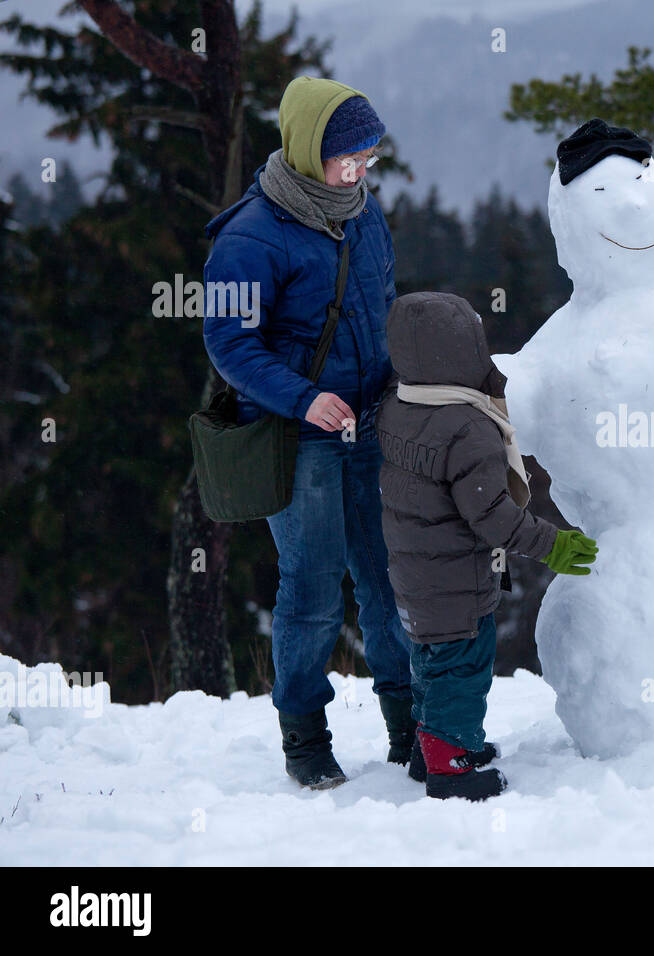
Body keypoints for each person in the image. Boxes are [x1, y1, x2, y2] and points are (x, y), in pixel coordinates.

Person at [202, 76, 415, 789]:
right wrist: (305, 399)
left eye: (368, 157)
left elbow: (383, 300)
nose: (357, 171)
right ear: (302, 149)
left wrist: (400, 379)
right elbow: (230, 345)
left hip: (373, 425)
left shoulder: (362, 212)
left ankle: (409, 730)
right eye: (345, 157)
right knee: (314, 590)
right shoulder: (245, 240)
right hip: (301, 439)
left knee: (388, 580)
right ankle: (305, 739)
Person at [376, 291, 598, 800]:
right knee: (463, 668)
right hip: (456, 580)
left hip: (415, 574)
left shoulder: (396, 405)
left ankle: (431, 748)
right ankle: (450, 767)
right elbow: (492, 516)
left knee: (431, 662)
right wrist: (551, 544)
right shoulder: (469, 427)